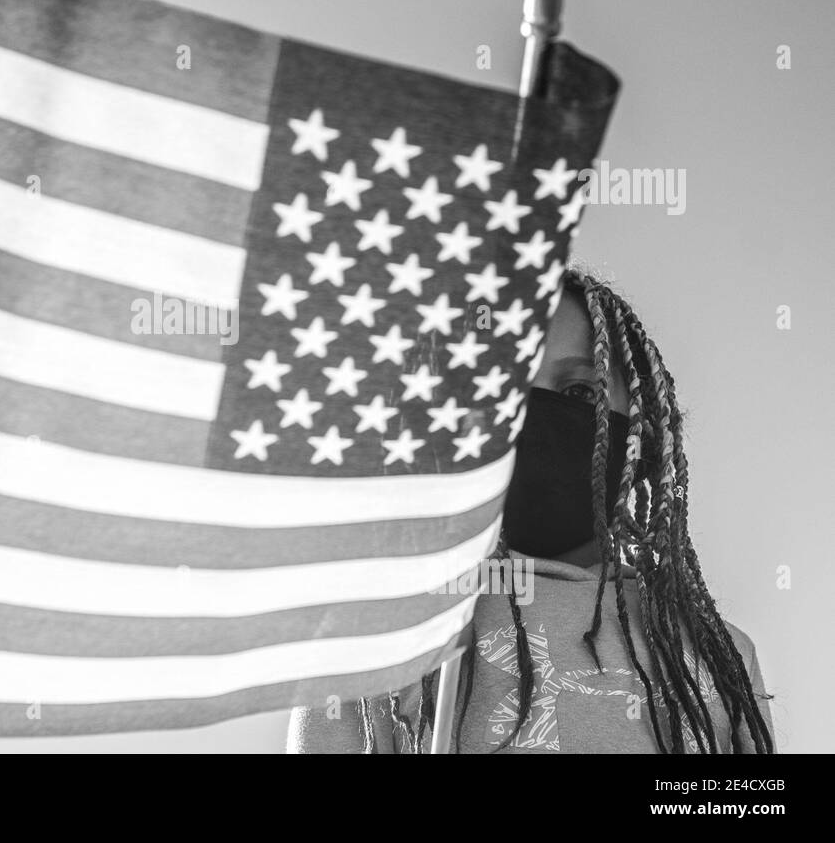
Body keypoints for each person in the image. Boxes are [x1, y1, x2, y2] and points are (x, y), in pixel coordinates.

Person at [288, 266, 776, 753]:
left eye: (581, 392)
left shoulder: (716, 655)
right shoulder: (379, 636)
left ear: (643, 434)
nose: (533, 413)